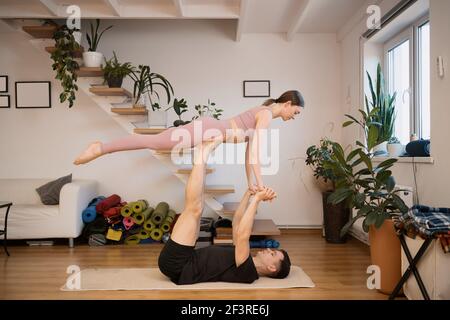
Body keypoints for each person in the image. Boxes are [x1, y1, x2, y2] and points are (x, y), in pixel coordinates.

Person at [73, 90, 305, 191]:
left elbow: (248, 155)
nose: (293, 117)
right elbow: (255, 154)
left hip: (207, 130)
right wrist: (261, 182)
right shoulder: (265, 115)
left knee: (153, 142)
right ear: (287, 104)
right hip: (206, 130)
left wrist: (251, 183)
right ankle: (101, 147)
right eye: (295, 113)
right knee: (153, 142)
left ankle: (102, 147)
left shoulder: (264, 113)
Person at [158, 140, 291, 285]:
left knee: (194, 209)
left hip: (179, 265)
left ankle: (202, 153)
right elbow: (237, 223)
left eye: (273, 254)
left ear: (271, 267)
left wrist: (257, 200)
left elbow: (243, 235)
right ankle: (202, 153)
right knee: (198, 207)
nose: (269, 249)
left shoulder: (248, 272)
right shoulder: (243, 256)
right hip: (187, 258)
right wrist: (248, 194)